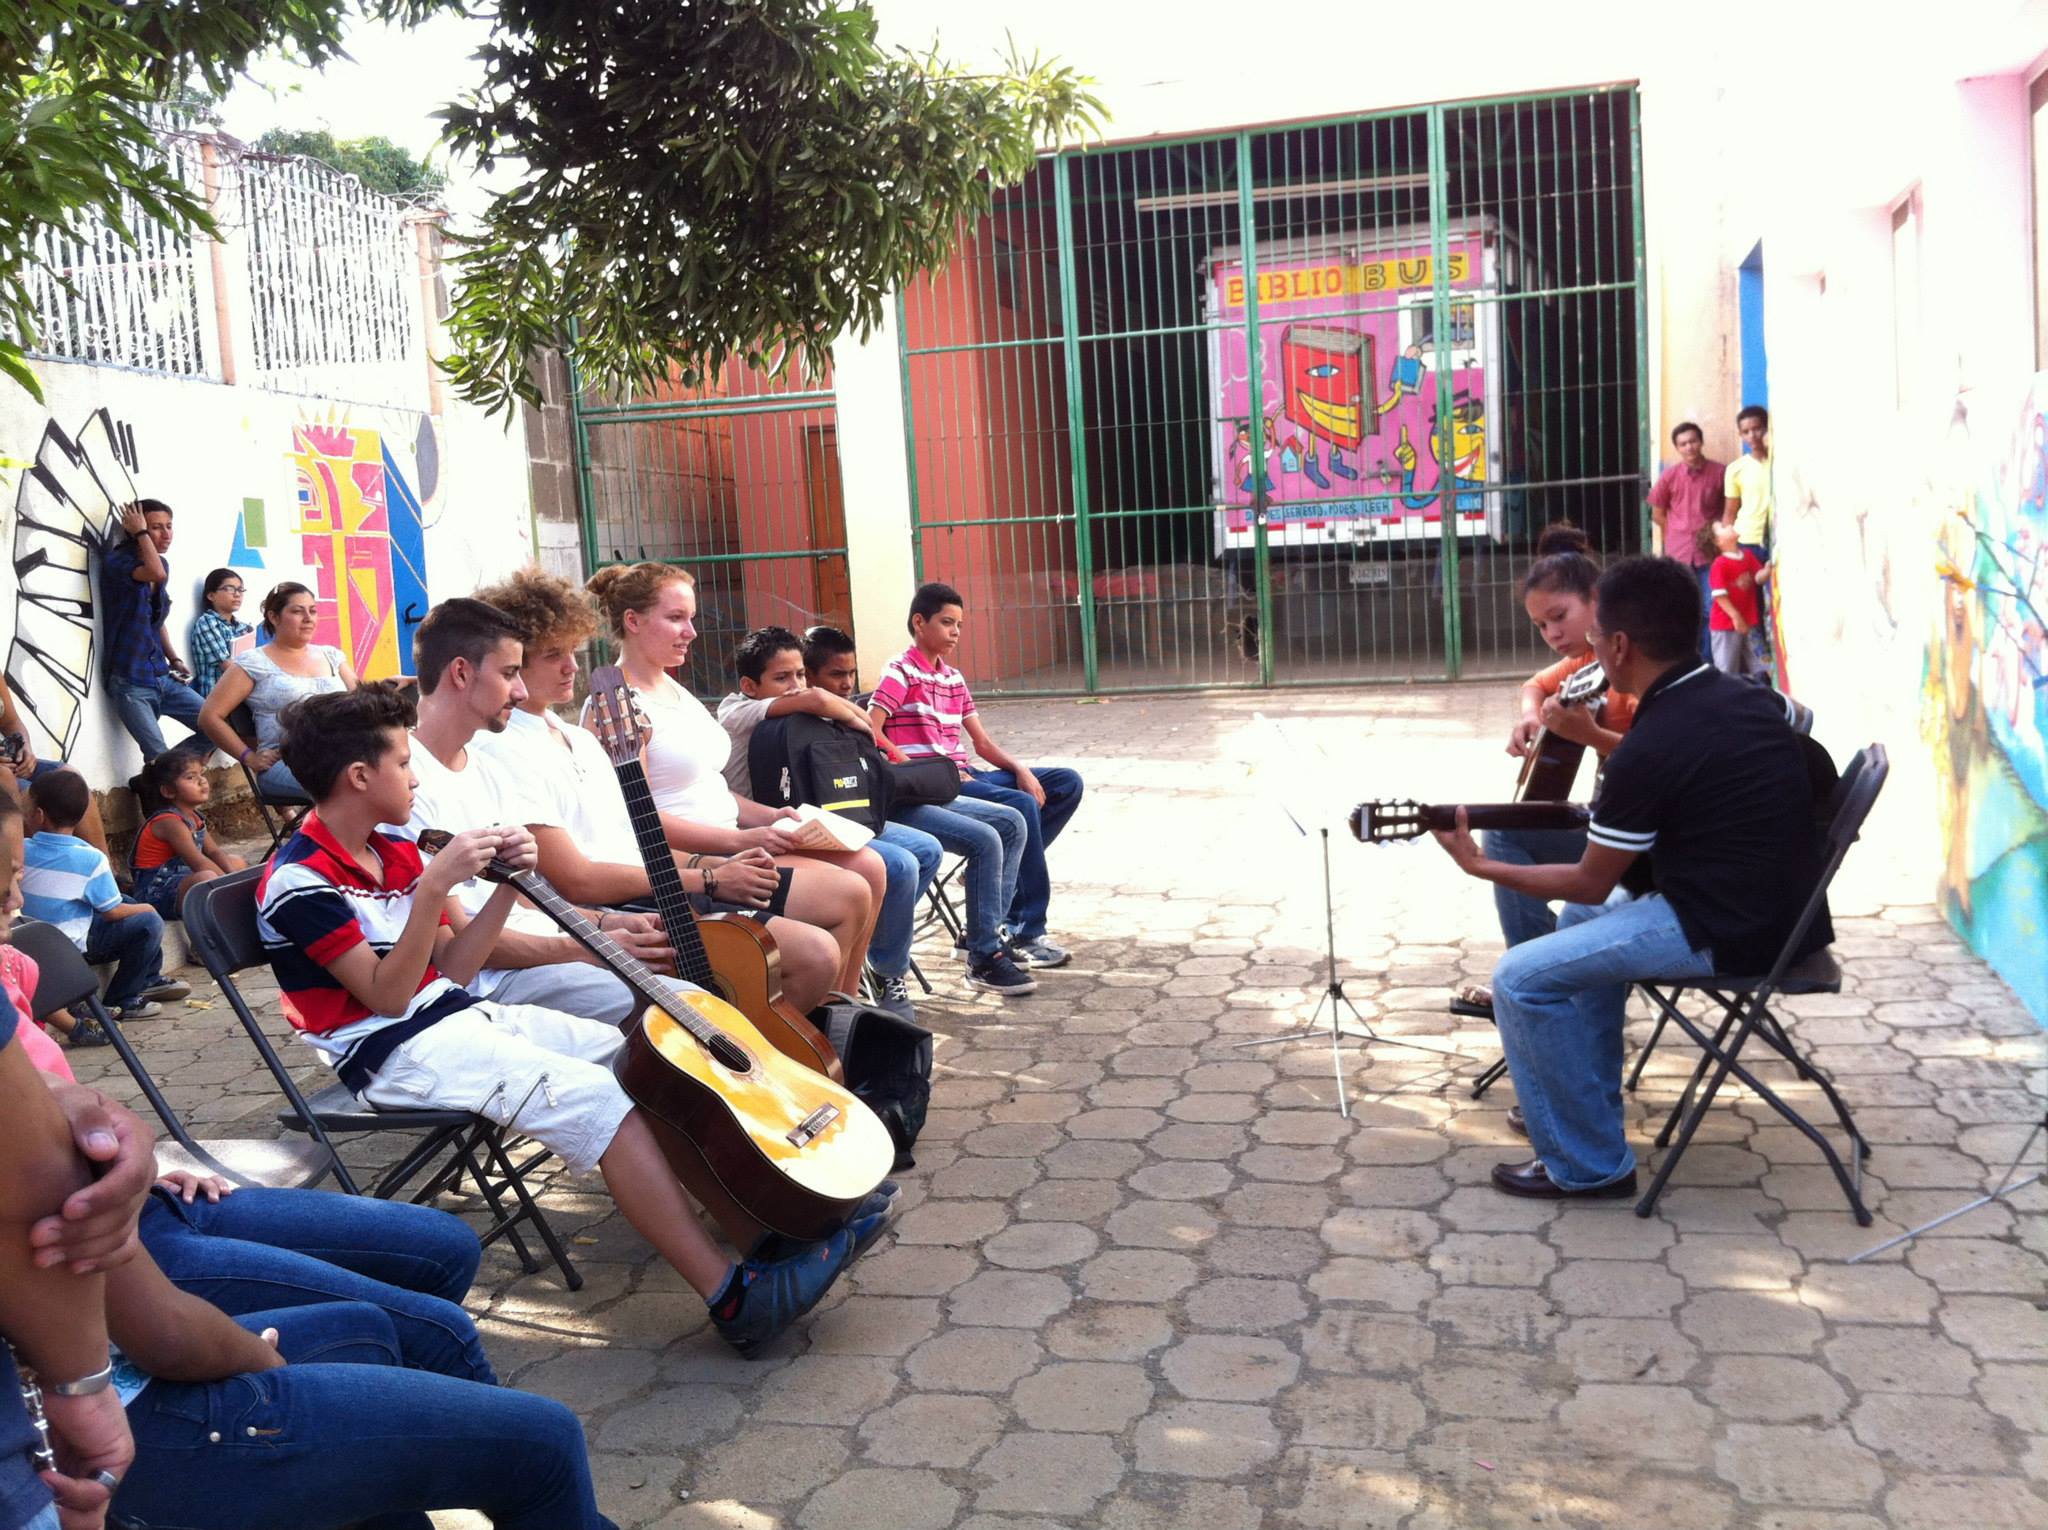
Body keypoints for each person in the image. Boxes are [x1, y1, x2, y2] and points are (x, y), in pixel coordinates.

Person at [257, 682, 883, 1351]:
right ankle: (733, 1297)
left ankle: (771, 1224)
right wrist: (436, 887)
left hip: (456, 1015)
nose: (415, 777)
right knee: (597, 1100)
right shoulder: (300, 883)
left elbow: (458, 968)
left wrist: (506, 888)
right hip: (391, 1052)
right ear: (360, 776)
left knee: (652, 1057)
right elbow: (387, 996)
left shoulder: (395, 849)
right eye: (404, 764)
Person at [1431, 555, 1833, 1200]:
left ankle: (1586, 1167)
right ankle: (1590, 1119)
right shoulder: (1749, 694)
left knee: (1521, 978)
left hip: (1726, 926)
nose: (1586, 650)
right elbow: (1807, 740)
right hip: (1785, 909)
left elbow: (1591, 879)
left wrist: (1479, 863)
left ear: (1618, 645)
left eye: (1591, 638)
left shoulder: (1651, 744)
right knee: (1580, 933)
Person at [471, 567, 844, 1014]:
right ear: (512, 662)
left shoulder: (576, 736)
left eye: (573, 650)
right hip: (607, 909)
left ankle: (791, 1050)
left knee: (834, 921)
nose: (573, 666)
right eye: (554, 655)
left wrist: (715, 865)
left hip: (657, 887)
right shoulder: (502, 747)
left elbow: (635, 838)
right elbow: (575, 879)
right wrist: (710, 875)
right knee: (810, 953)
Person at [584, 563, 881, 996]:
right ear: (633, 621)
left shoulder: (674, 689)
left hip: (732, 837)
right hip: (689, 856)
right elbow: (633, 817)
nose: (691, 632)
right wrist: (741, 842)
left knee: (871, 866)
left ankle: (841, 1009)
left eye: (691, 618)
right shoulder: (616, 704)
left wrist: (770, 815)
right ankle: (803, 1015)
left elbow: (707, 783)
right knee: (849, 894)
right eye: (675, 618)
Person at [402, 596, 693, 1024]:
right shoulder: (409, 784)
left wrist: (604, 925)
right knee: (684, 1012)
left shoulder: (485, 765)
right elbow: (459, 949)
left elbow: (529, 898)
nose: (518, 692)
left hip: (546, 948)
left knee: (699, 978)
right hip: (493, 982)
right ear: (461, 673)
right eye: (508, 674)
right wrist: (592, 945)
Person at [1453, 525, 1641, 1036]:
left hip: (1648, 847)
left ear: (1598, 602)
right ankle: (1533, 978)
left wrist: (1592, 735)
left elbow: (1663, 762)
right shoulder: (1587, 662)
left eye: (1560, 617)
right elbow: (1535, 684)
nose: (1552, 633)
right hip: (1617, 824)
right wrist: (1532, 717)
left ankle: (1539, 990)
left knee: (1566, 889)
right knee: (1508, 829)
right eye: (1541, 626)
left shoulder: (1638, 668)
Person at [718, 626, 941, 1022]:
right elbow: (820, 697)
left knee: (924, 850)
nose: (795, 687)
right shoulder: (737, 712)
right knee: (897, 865)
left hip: (810, 815)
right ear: (750, 685)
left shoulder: (788, 708)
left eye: (800, 675)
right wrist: (861, 721)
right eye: (782, 678)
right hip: (757, 829)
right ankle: (868, 982)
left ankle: (853, 985)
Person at [804, 624, 1034, 997]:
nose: (847, 683)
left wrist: (902, 764)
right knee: (961, 843)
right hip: (877, 811)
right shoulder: (891, 677)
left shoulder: (940, 680)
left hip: (908, 790)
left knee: (1010, 821)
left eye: (851, 673)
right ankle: (909, 957)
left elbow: (881, 749)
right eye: (836, 675)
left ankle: (983, 942)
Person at [869, 582, 1084, 974]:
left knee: (1064, 783)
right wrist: (910, 763)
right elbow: (872, 728)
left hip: (968, 773)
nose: (955, 632)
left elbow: (981, 742)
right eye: (947, 623)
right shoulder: (900, 671)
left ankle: (990, 876)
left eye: (960, 625)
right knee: (1019, 806)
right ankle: (1024, 929)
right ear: (919, 622)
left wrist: (1020, 770)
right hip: (935, 784)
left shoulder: (953, 678)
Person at [22, 771, 187, 1021]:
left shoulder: (23, 849)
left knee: (129, 903)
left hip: (37, 938)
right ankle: (124, 997)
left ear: (39, 815)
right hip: (73, 949)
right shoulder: (90, 858)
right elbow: (113, 912)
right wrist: (148, 909)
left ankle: (149, 978)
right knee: (147, 921)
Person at [197, 581, 356, 802]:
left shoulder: (331, 655)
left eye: (313, 611)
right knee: (352, 786)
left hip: (342, 755)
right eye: (297, 611)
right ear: (274, 617)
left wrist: (393, 683)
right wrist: (249, 757)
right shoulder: (253, 662)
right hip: (286, 762)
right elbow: (209, 716)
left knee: (392, 778)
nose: (308, 618)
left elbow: (362, 702)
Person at [97, 499, 205, 764]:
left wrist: (174, 658)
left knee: (219, 727)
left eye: (169, 527)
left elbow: (155, 621)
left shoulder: (161, 564)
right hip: (130, 681)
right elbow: (154, 572)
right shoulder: (118, 562)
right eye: (156, 527)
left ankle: (166, 772)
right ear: (136, 529)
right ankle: (163, 774)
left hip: (161, 676)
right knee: (158, 755)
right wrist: (141, 533)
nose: (166, 535)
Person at [126, 749, 245, 919]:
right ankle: (205, 935)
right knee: (206, 877)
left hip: (180, 879)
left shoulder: (193, 817)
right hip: (155, 894)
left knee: (237, 862)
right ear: (168, 791)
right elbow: (198, 862)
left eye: (201, 774)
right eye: (190, 777)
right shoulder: (169, 822)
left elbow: (213, 852)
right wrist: (231, 888)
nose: (202, 781)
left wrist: (233, 876)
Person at [0, 672, 109, 855]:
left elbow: (12, 722)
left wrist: (25, 748)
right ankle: (44, 869)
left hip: (8, 762)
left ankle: (103, 869)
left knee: (69, 779)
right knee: (31, 794)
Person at [1646, 421, 1725, 661]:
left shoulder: (1720, 473)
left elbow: (1728, 508)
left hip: (1709, 553)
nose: (1689, 447)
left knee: (1712, 609)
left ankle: (1709, 662)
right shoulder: (1670, 476)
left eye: (1692, 441)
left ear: (1700, 442)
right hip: (1679, 553)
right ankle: (1686, 661)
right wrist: (1675, 531)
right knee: (1683, 609)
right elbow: (1657, 513)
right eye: (1683, 444)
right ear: (1677, 448)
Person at [1723, 405, 1775, 657]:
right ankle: (1761, 654)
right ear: (1741, 436)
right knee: (1751, 600)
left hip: (1778, 538)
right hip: (1748, 539)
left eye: (1758, 428)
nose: (1753, 435)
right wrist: (1726, 547)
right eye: (1746, 431)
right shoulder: (1736, 469)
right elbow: (1730, 511)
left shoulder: (1780, 461)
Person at [1698, 520, 1768, 680]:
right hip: (1726, 626)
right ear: (1718, 541)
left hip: (1749, 621)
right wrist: (1736, 617)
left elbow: (1758, 577)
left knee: (1761, 662)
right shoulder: (1720, 564)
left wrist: (1768, 570)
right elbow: (1719, 595)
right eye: (1723, 527)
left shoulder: (1748, 556)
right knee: (1727, 669)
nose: (1729, 525)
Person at [187, 568, 254, 697]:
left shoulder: (243, 627)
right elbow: (229, 666)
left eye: (240, 589)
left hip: (240, 696)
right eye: (230, 589)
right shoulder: (207, 623)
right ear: (211, 595)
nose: (237, 594)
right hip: (218, 700)